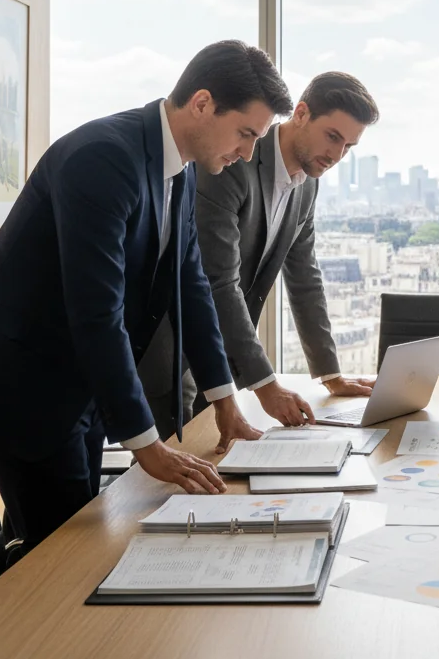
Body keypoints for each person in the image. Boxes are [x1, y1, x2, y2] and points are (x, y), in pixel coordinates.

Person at [0, 39, 294, 550]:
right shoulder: (104, 158)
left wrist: (223, 397)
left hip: (81, 375)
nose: (250, 152)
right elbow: (98, 312)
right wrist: (147, 444)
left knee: (55, 532)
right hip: (25, 377)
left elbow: (193, 284)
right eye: (246, 133)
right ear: (203, 104)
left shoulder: (178, 166)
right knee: (65, 549)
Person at [139, 71, 381, 438]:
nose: (336, 155)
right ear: (300, 114)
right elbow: (219, 280)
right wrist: (266, 384)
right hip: (171, 345)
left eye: (348, 147)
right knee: (170, 477)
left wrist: (330, 374)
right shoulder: (234, 161)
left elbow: (304, 277)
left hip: (224, 350)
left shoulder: (307, 185)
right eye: (333, 137)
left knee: (220, 464)